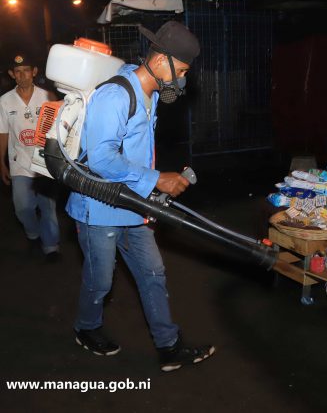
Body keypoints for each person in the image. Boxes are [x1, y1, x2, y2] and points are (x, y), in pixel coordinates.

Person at [66, 21, 215, 372]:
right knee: (100, 281)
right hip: (98, 206)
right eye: (182, 71)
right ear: (161, 61)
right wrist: (156, 179)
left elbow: (134, 151)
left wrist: (150, 186)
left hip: (133, 205)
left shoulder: (150, 94)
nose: (183, 79)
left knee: (153, 273)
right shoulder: (116, 96)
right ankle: (86, 327)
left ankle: (169, 346)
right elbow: (101, 159)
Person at [0, 54, 60, 260]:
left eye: (26, 70)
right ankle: (33, 234)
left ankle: (51, 246)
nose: (22, 75)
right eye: (17, 71)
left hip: (45, 162)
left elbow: (60, 130)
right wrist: (1, 162)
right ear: (12, 74)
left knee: (47, 207)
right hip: (19, 164)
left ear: (34, 72)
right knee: (23, 207)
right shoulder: (4, 101)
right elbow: (3, 133)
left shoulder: (48, 97)